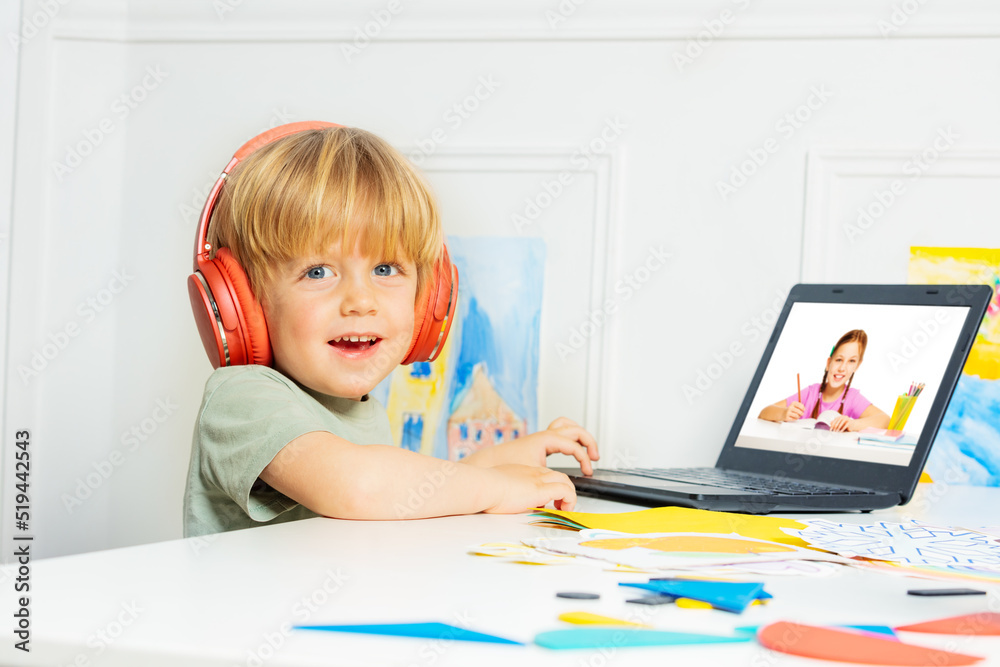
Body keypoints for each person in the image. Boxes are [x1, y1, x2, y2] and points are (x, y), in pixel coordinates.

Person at [183, 123, 598, 537]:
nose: (361, 301)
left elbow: (415, 490)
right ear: (243, 304)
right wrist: (498, 487)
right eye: (318, 271)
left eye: (385, 269)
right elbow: (358, 486)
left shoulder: (359, 410)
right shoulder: (242, 398)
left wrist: (509, 461)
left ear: (428, 296)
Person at [758, 329, 889, 432]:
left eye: (851, 361)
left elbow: (885, 420)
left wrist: (853, 424)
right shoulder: (810, 393)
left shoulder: (852, 398)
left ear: (857, 366)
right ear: (828, 363)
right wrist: (784, 413)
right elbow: (764, 412)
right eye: (838, 360)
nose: (842, 368)